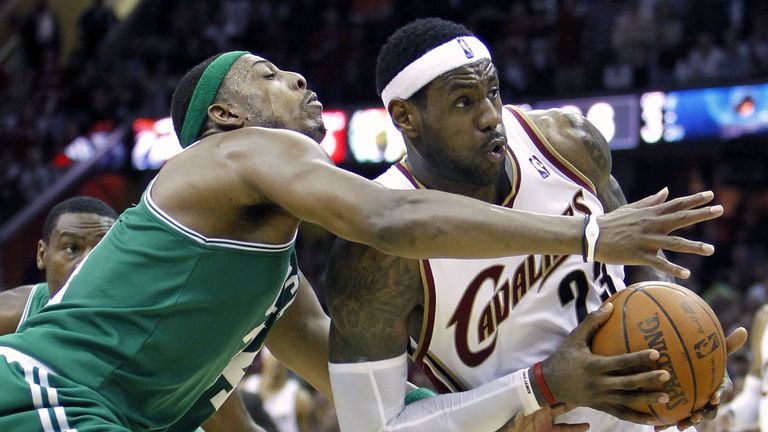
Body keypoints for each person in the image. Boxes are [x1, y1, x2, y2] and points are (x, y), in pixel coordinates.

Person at [0, 49, 723, 431]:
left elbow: (380, 410)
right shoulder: (241, 150)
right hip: (46, 396)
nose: (297, 77)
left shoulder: (270, 287)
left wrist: (540, 394)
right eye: (268, 75)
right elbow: (390, 219)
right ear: (224, 113)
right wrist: (588, 234)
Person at [325, 18, 747, 432]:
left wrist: (696, 353)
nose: (491, 116)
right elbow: (375, 426)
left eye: (493, 92)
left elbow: (637, 265)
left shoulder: (567, 144)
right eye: (464, 102)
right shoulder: (373, 252)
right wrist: (538, 385)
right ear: (406, 117)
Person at [0, 196, 261, 432]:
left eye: (103, 251)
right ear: (42, 254)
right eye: (72, 248)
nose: (87, 261)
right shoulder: (12, 314)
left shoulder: (160, 320)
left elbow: (236, 426)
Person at [240, 348, 314, 432]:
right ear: (264, 361)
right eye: (273, 364)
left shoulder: (299, 397)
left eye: (279, 364)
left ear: (286, 365)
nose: (276, 370)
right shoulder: (248, 385)